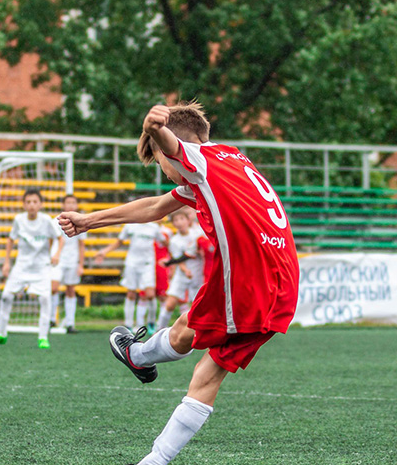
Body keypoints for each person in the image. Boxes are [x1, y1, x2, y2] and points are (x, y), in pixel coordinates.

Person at [58, 102, 299, 465]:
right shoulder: (229, 161)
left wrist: (154, 128)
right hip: (283, 284)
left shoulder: (197, 160)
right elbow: (155, 207)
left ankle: (137, 356)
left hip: (249, 276)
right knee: (204, 361)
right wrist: (88, 220)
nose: (164, 171)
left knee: (191, 334)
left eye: (158, 163)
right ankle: (153, 454)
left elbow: (173, 146)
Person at [0, 190, 64, 349]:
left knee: (45, 299)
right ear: (24, 204)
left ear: (40, 204)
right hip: (21, 266)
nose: (32, 205)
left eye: (35, 202)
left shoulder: (47, 220)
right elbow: (10, 240)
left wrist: (56, 254)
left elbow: (60, 238)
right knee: (6, 296)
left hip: (41, 268)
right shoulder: (19, 220)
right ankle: (1, 334)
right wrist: (6, 262)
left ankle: (43, 337)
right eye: (28, 202)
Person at [94, 210, 165, 333]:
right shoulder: (130, 225)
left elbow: (164, 242)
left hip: (148, 264)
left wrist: (170, 257)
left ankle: (151, 322)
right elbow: (119, 242)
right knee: (131, 293)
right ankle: (128, 324)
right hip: (132, 263)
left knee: (150, 295)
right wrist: (104, 252)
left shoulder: (154, 227)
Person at [156, 209, 202, 332]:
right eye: (176, 220)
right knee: (170, 303)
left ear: (188, 220)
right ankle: (158, 330)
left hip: (198, 275)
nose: (179, 222)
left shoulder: (197, 233)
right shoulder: (174, 240)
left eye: (182, 219)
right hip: (182, 275)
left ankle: (196, 332)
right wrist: (185, 269)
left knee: (198, 305)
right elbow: (178, 258)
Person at [50, 195, 86, 334]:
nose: (71, 205)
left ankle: (70, 322)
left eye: (73, 203)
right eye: (68, 203)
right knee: (53, 288)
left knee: (70, 290)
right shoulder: (55, 221)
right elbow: (51, 240)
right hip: (57, 259)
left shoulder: (81, 221)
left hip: (72, 260)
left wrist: (80, 264)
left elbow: (81, 245)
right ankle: (52, 319)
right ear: (63, 205)